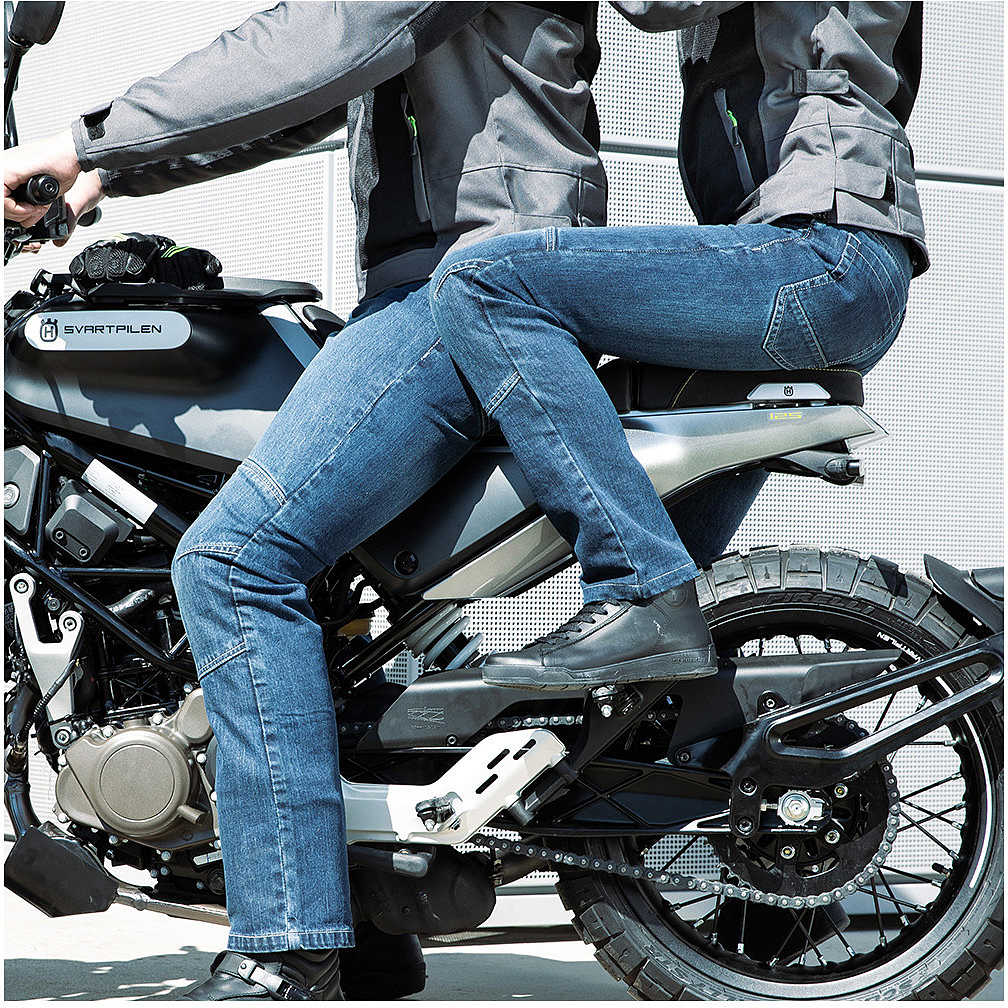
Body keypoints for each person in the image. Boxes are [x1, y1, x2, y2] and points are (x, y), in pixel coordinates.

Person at [7, 1, 730, 1000]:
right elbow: (317, 91)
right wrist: (108, 169)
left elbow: (330, 36)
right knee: (311, 573)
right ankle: (366, 921)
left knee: (233, 563)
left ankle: (287, 949)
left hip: (467, 276)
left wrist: (86, 139)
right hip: (437, 271)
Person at [427, 0, 927, 691]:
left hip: (822, 249)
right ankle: (664, 694)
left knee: (485, 283)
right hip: (808, 249)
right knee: (639, 683)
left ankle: (638, 587)